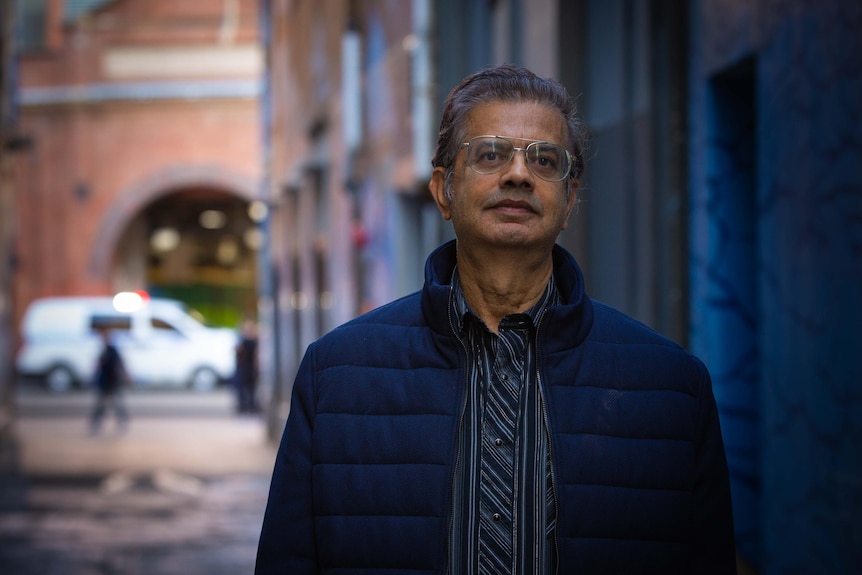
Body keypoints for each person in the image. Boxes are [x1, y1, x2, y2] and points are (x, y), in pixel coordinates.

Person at [256, 64, 736, 574]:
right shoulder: (336, 377)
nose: (518, 174)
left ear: (569, 199)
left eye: (545, 159)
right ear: (443, 190)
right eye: (490, 153)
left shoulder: (671, 387)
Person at [89, 328, 130, 434]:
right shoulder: (104, 351)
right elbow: (98, 365)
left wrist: (124, 375)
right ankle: (96, 423)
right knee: (101, 404)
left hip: (113, 381)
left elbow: (120, 364)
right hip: (105, 382)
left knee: (116, 403)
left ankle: (122, 421)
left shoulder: (112, 351)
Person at [234, 318, 260, 414]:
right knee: (242, 388)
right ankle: (243, 406)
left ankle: (250, 405)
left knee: (251, 388)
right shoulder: (241, 340)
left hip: (250, 368)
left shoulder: (255, 341)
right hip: (243, 367)